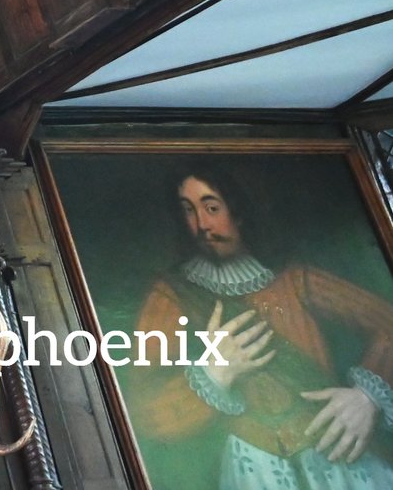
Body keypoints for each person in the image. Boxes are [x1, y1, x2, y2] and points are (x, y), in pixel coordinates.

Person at [130, 162, 393, 487]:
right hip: (254, 467)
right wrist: (214, 374)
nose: (201, 225)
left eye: (212, 207)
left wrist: (365, 397)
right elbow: (144, 413)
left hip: (334, 458)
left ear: (240, 209)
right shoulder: (170, 296)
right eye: (188, 210)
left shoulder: (294, 281)